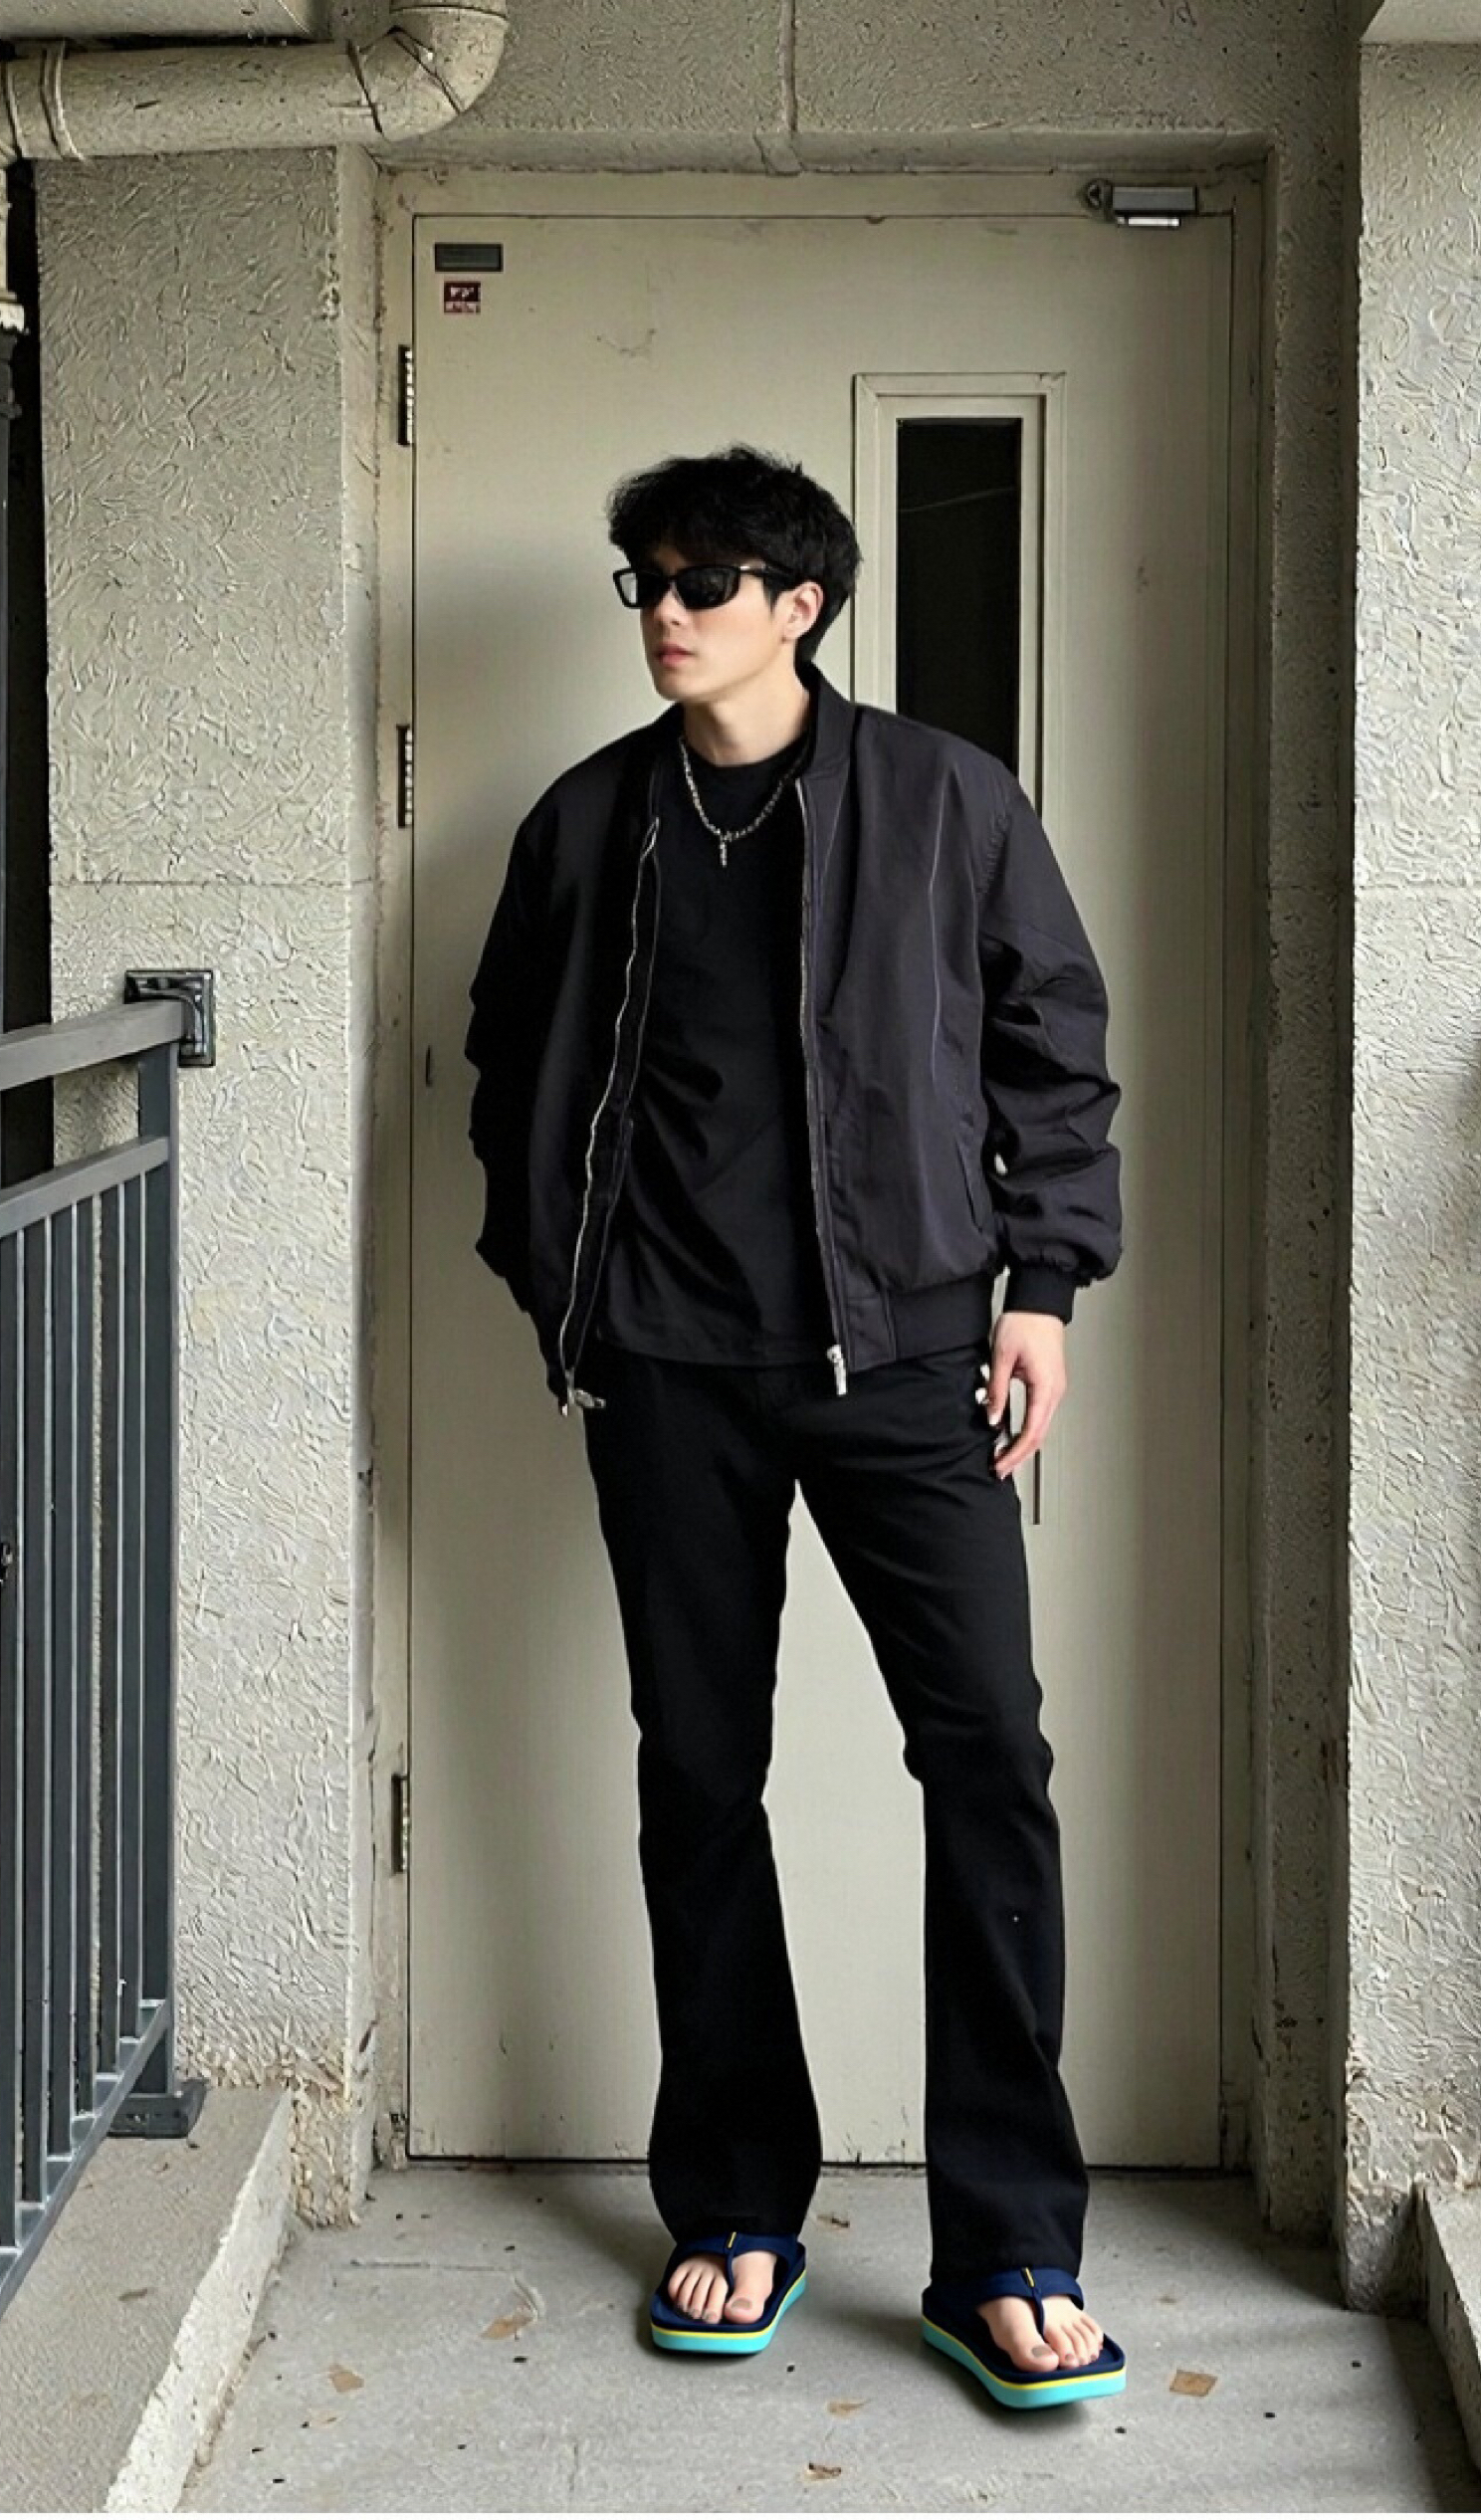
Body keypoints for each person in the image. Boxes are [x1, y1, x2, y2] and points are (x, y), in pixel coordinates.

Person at [464, 444, 1126, 2408]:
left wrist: (1040, 1284)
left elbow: (1053, 1045)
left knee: (989, 1761)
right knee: (698, 1775)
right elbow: (507, 1062)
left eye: (707, 581)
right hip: (666, 1373)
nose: (667, 613)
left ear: (801, 604)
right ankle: (740, 2203)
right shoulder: (592, 821)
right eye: (648, 582)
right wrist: (559, 1284)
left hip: (909, 1365)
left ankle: (1006, 2245)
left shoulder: (943, 801)